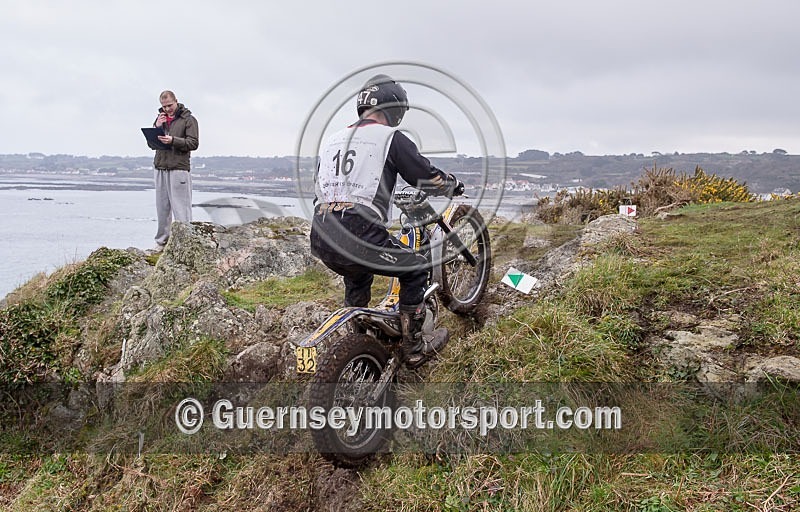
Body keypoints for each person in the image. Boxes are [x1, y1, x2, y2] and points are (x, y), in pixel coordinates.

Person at [310, 74, 464, 364]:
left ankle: (358, 335)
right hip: (360, 233)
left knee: (357, 274)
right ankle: (414, 347)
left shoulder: (332, 140)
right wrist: (451, 184)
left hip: (321, 236)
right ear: (394, 109)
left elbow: (319, 189)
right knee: (417, 267)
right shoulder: (390, 139)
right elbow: (426, 178)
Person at [146, 90, 199, 252]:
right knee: (162, 207)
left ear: (176, 101)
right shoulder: (159, 119)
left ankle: (186, 243)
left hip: (179, 168)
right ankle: (161, 243)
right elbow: (152, 145)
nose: (167, 109)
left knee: (181, 208)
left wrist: (173, 140)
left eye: (169, 105)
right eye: (164, 106)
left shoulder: (188, 120)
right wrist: (156, 127)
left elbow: (193, 143)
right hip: (160, 166)